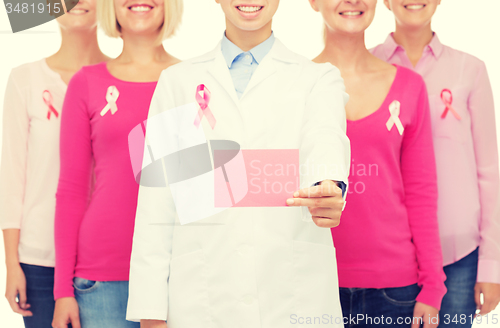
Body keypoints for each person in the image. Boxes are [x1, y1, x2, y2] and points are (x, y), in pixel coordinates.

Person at [125, 0, 350, 327]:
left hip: (292, 298)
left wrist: (328, 184)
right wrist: (151, 312)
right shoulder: (177, 82)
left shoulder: (318, 78)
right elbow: (156, 207)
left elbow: (325, 137)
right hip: (202, 301)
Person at [308, 0, 447, 327]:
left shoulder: (410, 87)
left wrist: (432, 286)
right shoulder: (291, 86)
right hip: (312, 279)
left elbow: (421, 193)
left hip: (394, 290)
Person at [51, 0, 183, 327]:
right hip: (102, 278)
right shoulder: (87, 83)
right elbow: (71, 190)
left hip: (178, 271)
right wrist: (62, 290)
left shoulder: (193, 79)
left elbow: (208, 189)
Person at [371, 0, 500, 326]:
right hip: (387, 252)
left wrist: (492, 264)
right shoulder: (367, 64)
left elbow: (489, 172)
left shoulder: (469, 69)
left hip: (457, 254)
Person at [0, 1, 109, 327]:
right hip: (40, 262)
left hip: (109, 257)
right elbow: (11, 177)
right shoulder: (25, 80)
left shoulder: (123, 78)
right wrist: (12, 263)